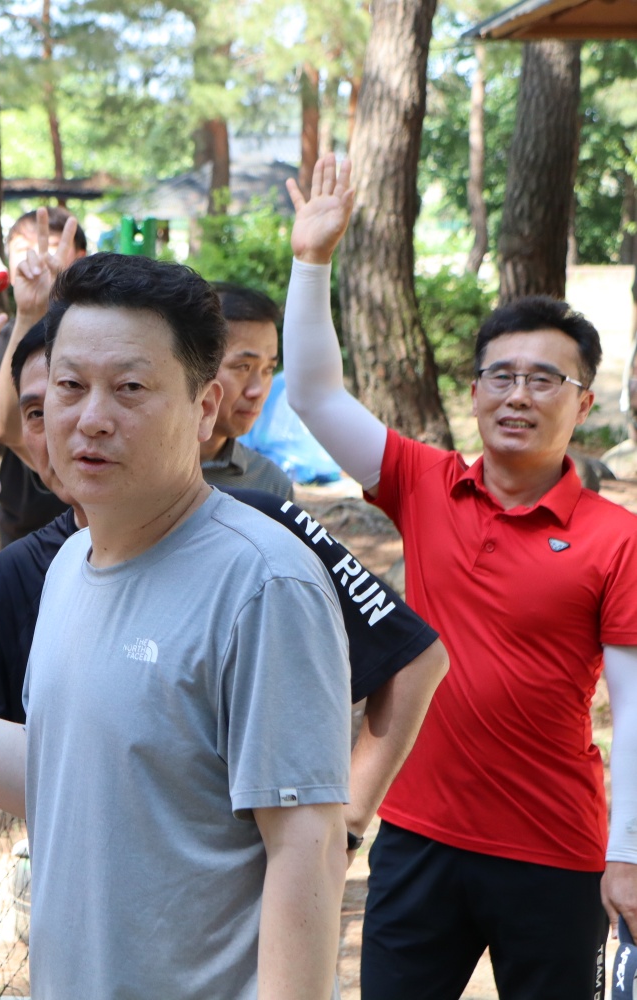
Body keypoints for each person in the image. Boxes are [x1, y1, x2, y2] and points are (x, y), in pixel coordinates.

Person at [0, 252, 352, 999]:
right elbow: (57, 774)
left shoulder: (264, 584)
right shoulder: (67, 565)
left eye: (130, 388)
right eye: (70, 386)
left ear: (205, 406)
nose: (91, 418)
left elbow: (308, 850)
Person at [0, 319, 446, 858]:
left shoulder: (261, 533)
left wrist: (345, 825)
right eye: (44, 406)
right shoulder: (22, 574)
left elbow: (413, 656)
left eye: (124, 389)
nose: (79, 423)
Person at [284, 153, 637, 999]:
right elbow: (313, 396)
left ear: (583, 403)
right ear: (475, 392)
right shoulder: (424, 481)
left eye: (545, 379)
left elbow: (634, 710)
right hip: (417, 838)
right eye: (500, 376)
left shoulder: (617, 537)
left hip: (555, 850)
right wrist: (312, 261)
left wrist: (626, 853)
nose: (518, 395)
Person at [0, 207, 87, 544]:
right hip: (27, 531)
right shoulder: (5, 337)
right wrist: (30, 312)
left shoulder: (101, 333)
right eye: (22, 249)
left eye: (51, 246)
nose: (36, 257)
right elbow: (8, 428)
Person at [201, 283, 294, 499]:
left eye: (268, 369)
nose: (258, 391)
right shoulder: (137, 469)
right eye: (243, 367)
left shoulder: (270, 486)